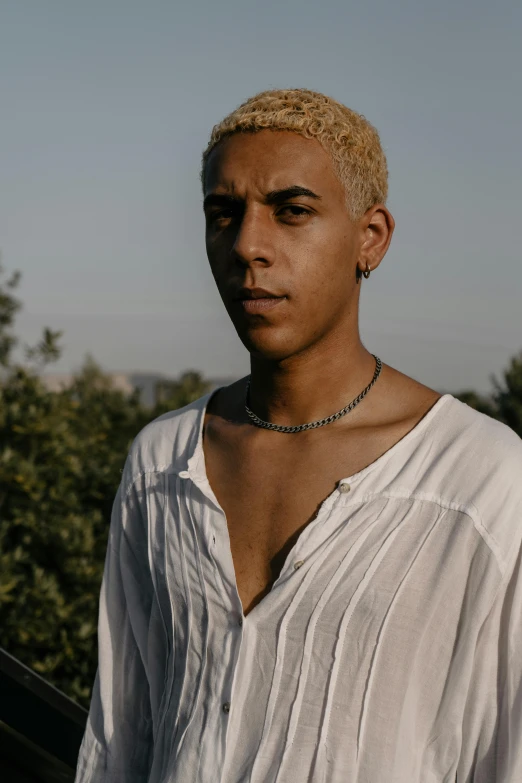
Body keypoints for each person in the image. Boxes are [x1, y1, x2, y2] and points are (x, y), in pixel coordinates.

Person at [74, 88, 522, 783]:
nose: (248, 245)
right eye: (224, 214)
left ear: (370, 237)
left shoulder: (483, 481)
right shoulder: (162, 462)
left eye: (292, 211)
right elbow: (119, 736)